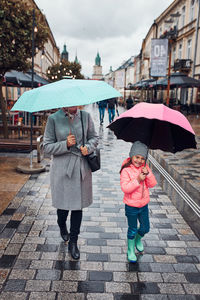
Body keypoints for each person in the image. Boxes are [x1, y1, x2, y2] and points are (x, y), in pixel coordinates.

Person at [43, 106, 98, 260]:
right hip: (61, 170)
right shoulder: (53, 119)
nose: (74, 105)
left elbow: (94, 137)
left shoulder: (86, 117)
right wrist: (65, 144)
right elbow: (46, 147)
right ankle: (61, 224)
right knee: (62, 207)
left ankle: (74, 241)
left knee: (77, 207)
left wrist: (88, 147)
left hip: (80, 168)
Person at [120, 141, 157, 263]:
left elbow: (152, 184)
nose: (139, 161)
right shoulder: (126, 170)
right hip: (131, 206)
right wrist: (138, 180)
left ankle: (137, 239)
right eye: (137, 157)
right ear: (132, 156)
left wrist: (148, 173)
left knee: (145, 228)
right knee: (132, 228)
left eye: (142, 158)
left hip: (143, 205)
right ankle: (130, 249)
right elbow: (125, 188)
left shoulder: (144, 168)